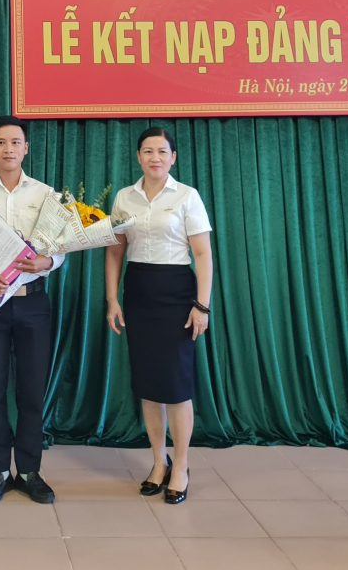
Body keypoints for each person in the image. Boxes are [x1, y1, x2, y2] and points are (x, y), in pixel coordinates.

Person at [105, 127, 214, 505]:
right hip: (139, 292)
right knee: (149, 384)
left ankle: (181, 466)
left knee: (176, 385)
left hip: (177, 294)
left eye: (162, 151)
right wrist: (112, 299)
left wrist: (201, 305)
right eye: (148, 151)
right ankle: (158, 462)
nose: (155, 158)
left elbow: (202, 254)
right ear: (138, 156)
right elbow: (115, 251)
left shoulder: (187, 196)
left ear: (173, 157)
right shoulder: (124, 197)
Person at [0, 115, 62, 505]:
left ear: (26, 148)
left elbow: (61, 247)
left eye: (15, 142)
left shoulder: (46, 194)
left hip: (34, 302)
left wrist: (47, 262)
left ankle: (30, 470)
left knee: (32, 391)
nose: (8, 149)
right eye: (1, 143)